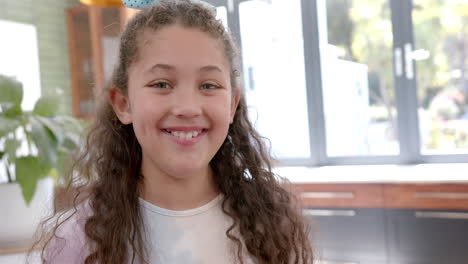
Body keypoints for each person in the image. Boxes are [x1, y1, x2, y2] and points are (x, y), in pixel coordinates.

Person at [32, 0, 313, 263]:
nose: (188, 108)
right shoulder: (79, 240)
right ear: (123, 103)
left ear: (232, 105)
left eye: (209, 85)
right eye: (162, 84)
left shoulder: (271, 226)